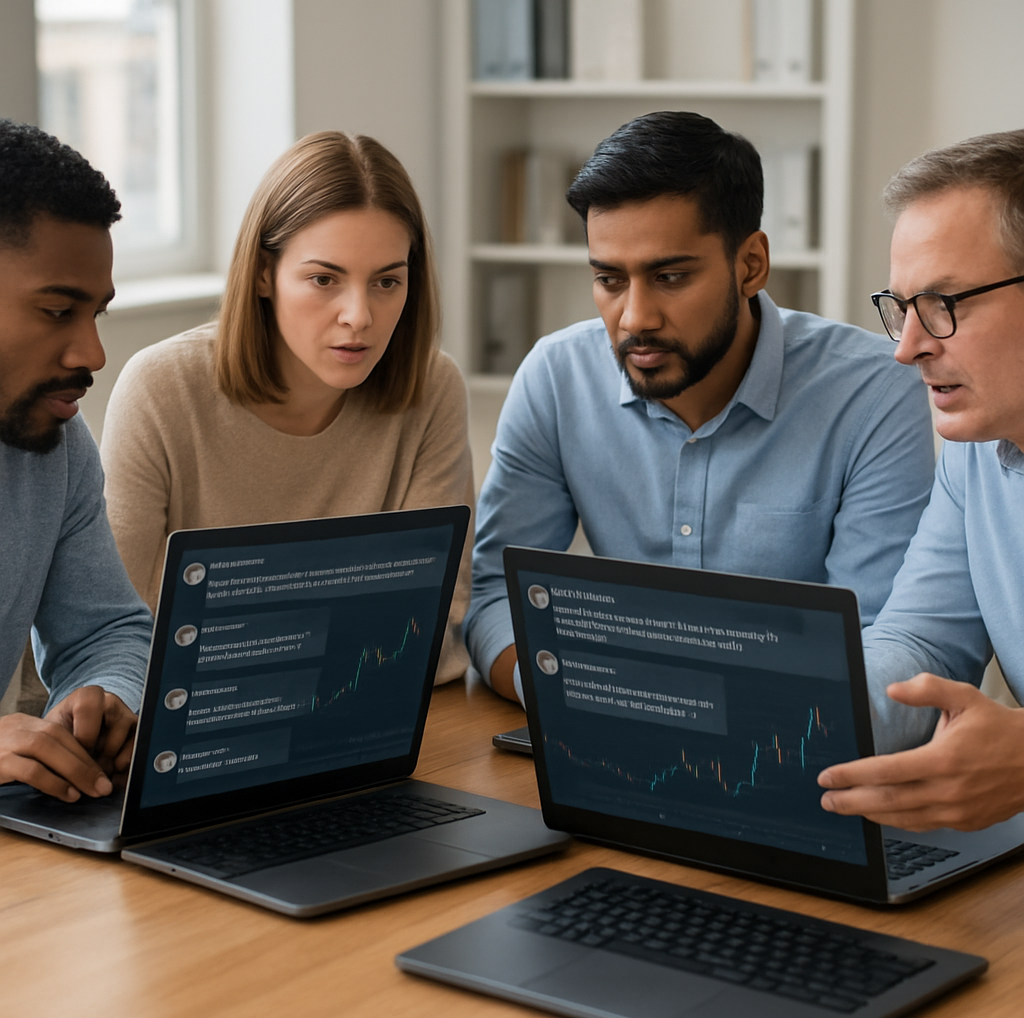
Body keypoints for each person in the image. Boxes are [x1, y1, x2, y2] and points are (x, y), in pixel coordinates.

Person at [466, 111, 936, 704]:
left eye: (669, 276)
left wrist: (690, 709)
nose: (635, 318)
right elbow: (494, 599)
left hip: (790, 744)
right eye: (609, 280)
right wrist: (596, 699)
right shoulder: (556, 377)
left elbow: (878, 641)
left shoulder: (873, 391)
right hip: (610, 725)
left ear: (751, 265)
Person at [100, 132, 473, 683]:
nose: (359, 316)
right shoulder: (161, 389)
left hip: (361, 717)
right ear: (262, 274)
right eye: (324, 279)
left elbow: (430, 629)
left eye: (387, 282)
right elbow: (116, 636)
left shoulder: (433, 387)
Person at [818, 130, 1024, 833]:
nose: (907, 347)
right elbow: (922, 644)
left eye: (942, 303)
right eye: (901, 306)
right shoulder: (979, 445)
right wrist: (777, 714)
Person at [0, 119, 152, 800]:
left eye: (97, 314)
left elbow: (108, 627)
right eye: (58, 310)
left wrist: (105, 696)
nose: (93, 355)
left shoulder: (55, 445)